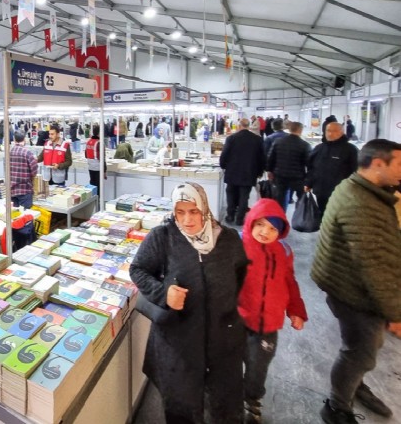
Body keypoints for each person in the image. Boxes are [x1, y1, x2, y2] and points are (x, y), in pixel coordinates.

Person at [130, 182, 249, 424]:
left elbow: (241, 277)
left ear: (204, 209)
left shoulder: (228, 239)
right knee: (180, 408)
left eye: (193, 211)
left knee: (224, 408)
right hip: (178, 344)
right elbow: (138, 269)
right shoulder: (163, 237)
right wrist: (164, 294)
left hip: (222, 343)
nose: (186, 220)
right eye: (180, 212)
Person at [311, 139, 401, 423]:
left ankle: (354, 385)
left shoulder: (361, 189)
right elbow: (374, 265)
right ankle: (337, 406)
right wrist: (395, 313)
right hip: (353, 292)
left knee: (363, 350)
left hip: (347, 284)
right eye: (399, 164)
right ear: (378, 163)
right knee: (359, 353)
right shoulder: (361, 203)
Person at [238, 198, 307, 423]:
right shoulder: (238, 246)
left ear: (281, 231)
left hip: (268, 325)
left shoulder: (284, 252)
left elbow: (290, 282)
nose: (265, 232)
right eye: (260, 224)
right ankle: (223, 396)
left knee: (258, 368)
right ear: (251, 222)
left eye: (272, 228)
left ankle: (252, 400)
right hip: (236, 320)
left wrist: (296, 310)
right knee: (225, 363)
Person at [219, 119, 265, 225]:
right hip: (249, 173)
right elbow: (262, 157)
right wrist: (260, 171)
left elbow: (224, 154)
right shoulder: (257, 139)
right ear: (248, 126)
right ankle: (240, 219)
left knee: (231, 194)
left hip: (232, 172)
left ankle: (230, 216)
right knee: (244, 196)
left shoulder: (231, 138)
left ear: (239, 126)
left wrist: (223, 166)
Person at [305, 122, 358, 213]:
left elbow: (357, 171)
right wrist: (308, 183)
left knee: (338, 218)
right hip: (321, 191)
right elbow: (311, 167)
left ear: (342, 132)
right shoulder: (319, 148)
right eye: (328, 131)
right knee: (323, 215)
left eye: (334, 131)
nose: (330, 134)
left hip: (341, 193)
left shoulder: (350, 150)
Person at [267, 122, 310, 212]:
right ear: (301, 130)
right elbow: (309, 164)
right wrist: (309, 180)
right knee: (301, 199)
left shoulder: (278, 142)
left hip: (280, 175)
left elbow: (271, 158)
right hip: (298, 177)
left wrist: (269, 171)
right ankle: (298, 218)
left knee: (280, 198)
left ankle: (281, 219)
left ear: (289, 129)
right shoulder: (305, 145)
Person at [9, 130, 38, 209]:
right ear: (25, 139)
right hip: (25, 190)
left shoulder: (10, 152)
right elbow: (34, 171)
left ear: (14, 140)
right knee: (26, 218)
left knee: (15, 218)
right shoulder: (27, 153)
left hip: (12, 190)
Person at [84, 125, 106, 194]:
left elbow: (86, 154)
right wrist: (104, 170)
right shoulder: (99, 143)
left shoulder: (88, 142)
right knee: (98, 186)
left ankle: (93, 200)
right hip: (98, 168)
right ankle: (98, 201)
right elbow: (102, 158)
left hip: (90, 167)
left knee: (92, 185)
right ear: (99, 133)